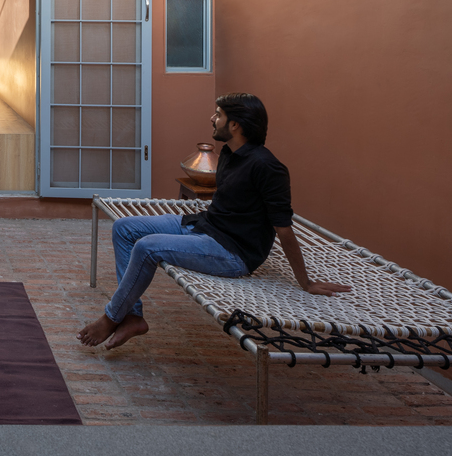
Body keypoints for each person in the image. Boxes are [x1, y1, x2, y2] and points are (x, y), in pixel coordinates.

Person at [77, 93, 350, 350]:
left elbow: (283, 228)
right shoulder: (229, 154)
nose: (212, 118)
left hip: (232, 251)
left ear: (235, 125)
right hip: (204, 226)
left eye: (218, 114)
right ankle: (133, 317)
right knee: (124, 228)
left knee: (146, 247)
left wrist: (306, 282)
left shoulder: (268, 167)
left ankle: (111, 318)